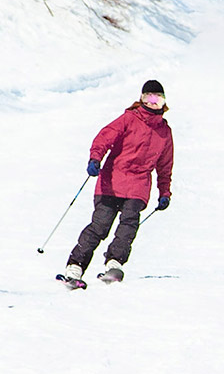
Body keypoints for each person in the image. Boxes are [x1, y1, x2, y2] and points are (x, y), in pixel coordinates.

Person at [63, 80, 174, 288]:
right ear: (141, 99)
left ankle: (114, 263)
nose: (152, 103)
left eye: (157, 99)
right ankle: (75, 265)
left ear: (163, 103)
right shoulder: (129, 119)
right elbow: (104, 137)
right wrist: (95, 158)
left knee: (128, 226)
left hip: (138, 186)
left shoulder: (165, 132)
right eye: (148, 98)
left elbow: (165, 165)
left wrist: (164, 192)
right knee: (100, 225)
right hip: (112, 181)